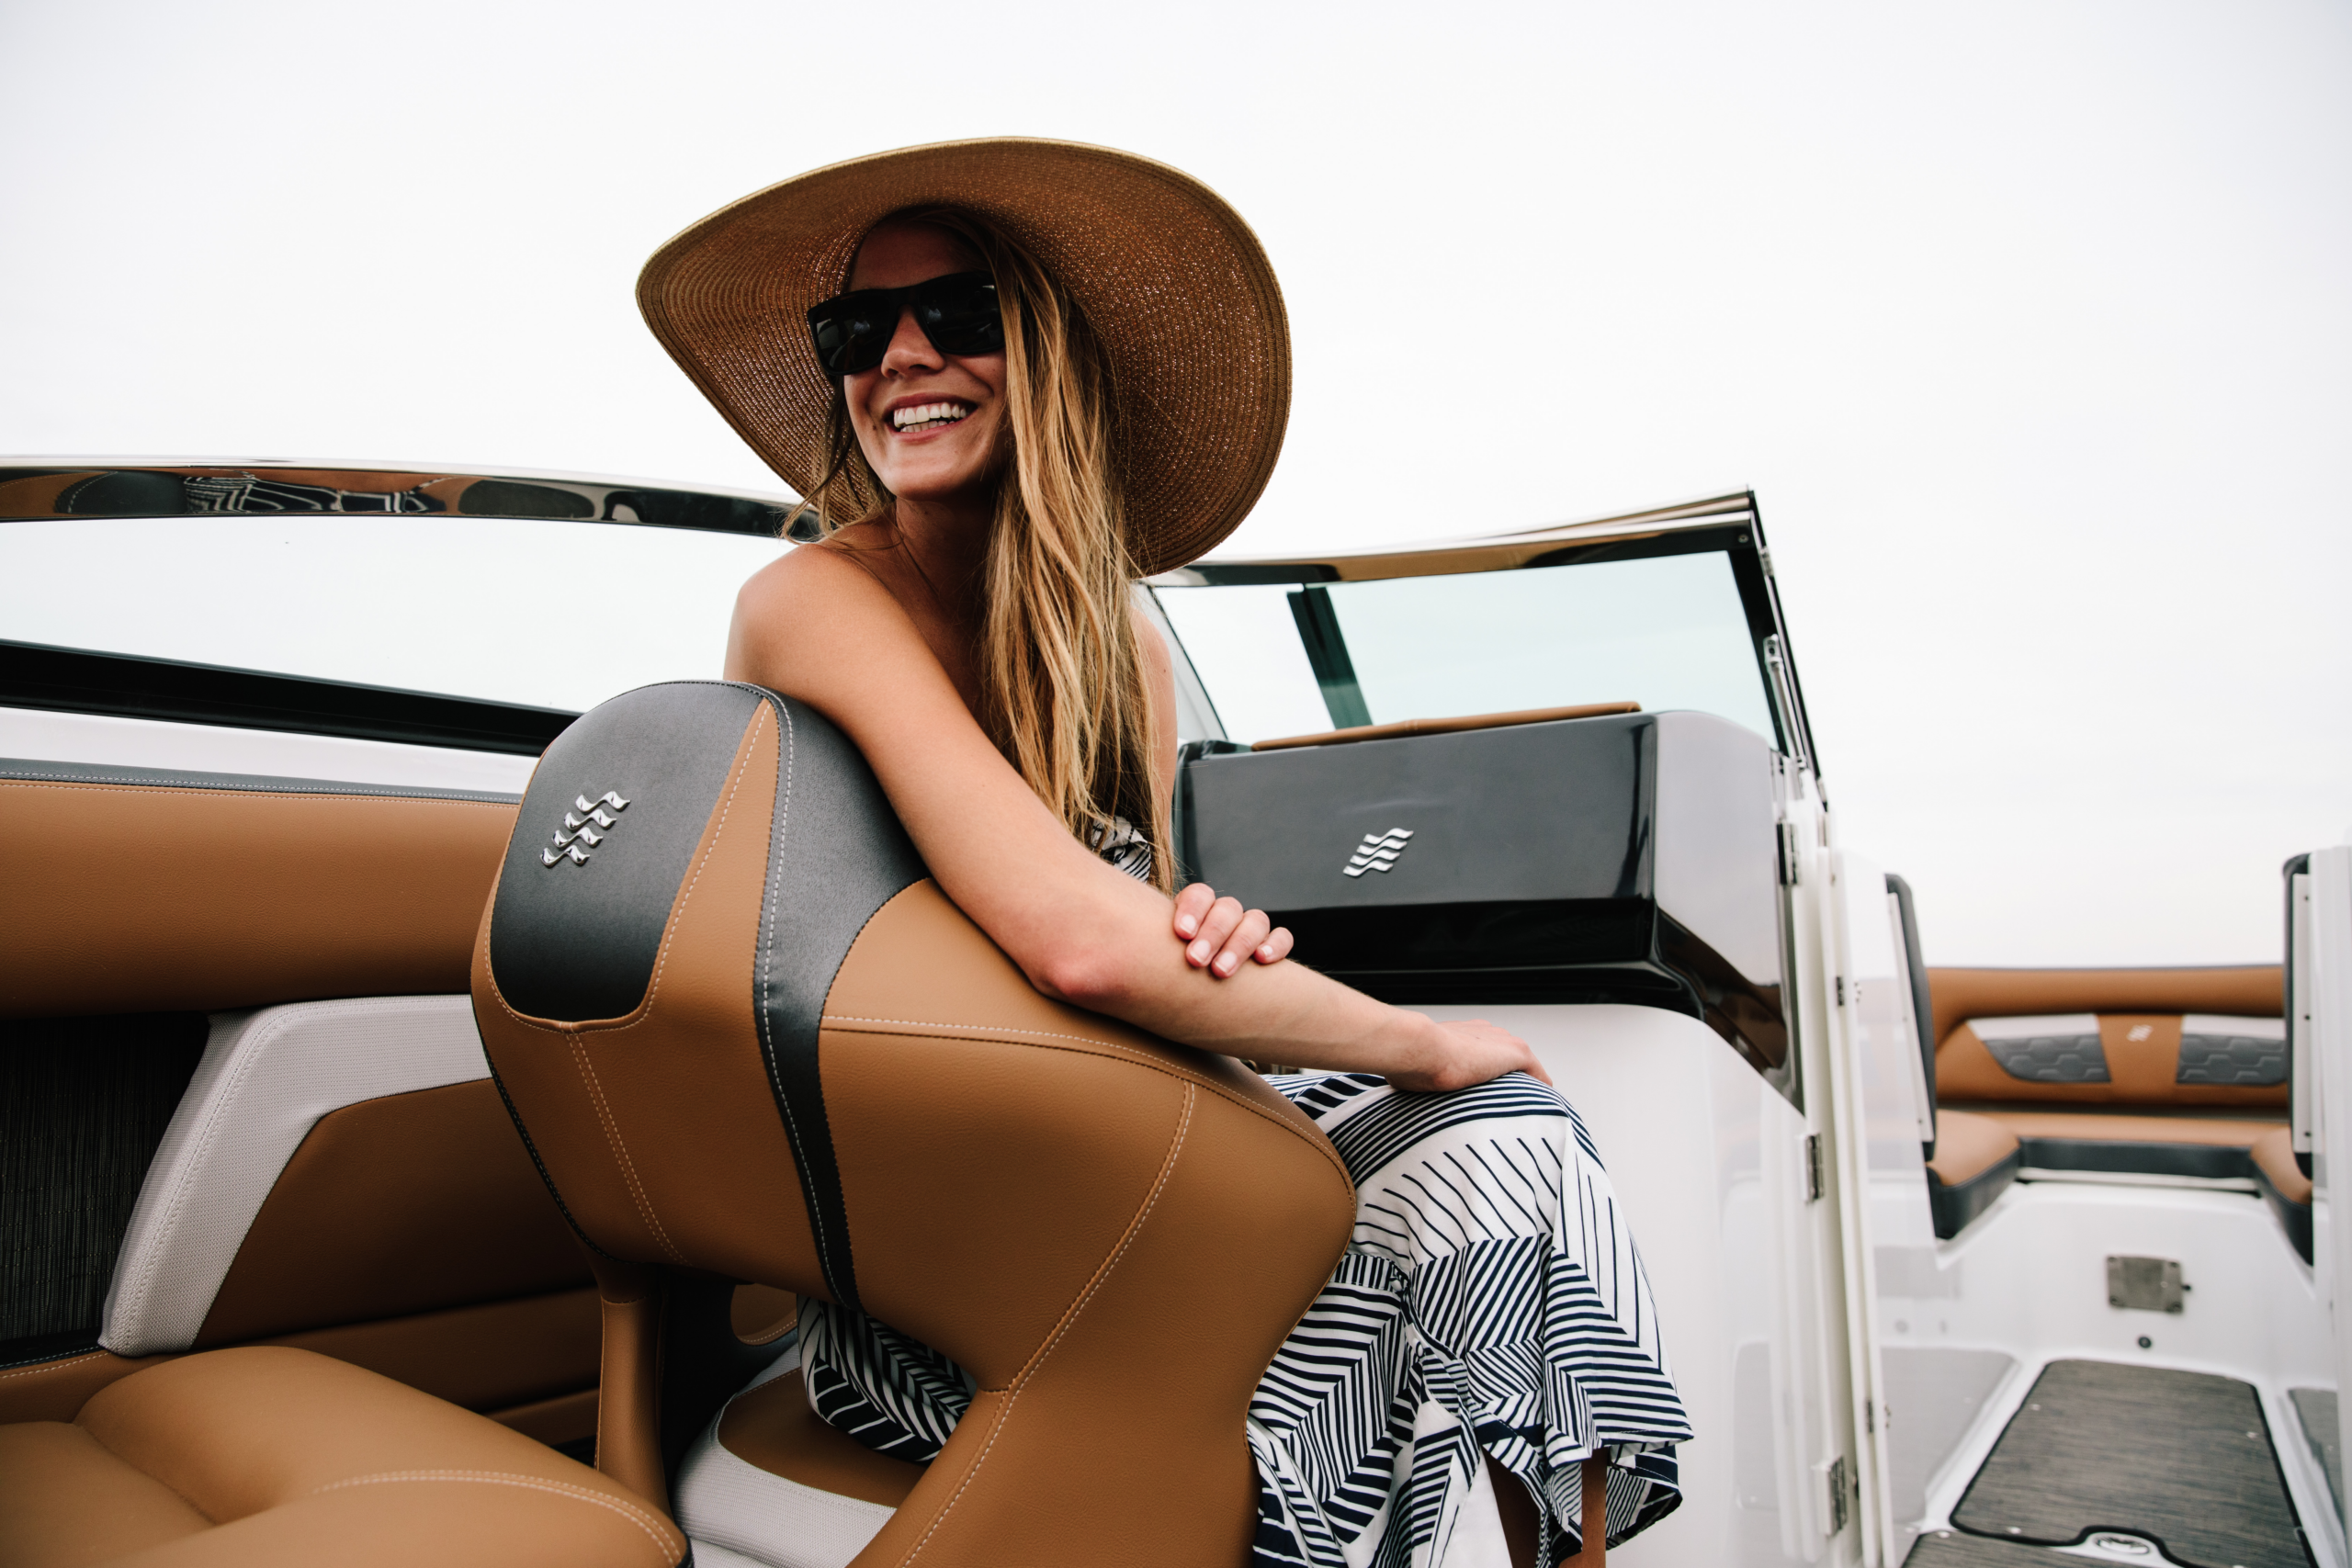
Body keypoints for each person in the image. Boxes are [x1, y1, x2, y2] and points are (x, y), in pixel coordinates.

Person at [640, 139, 1690, 1566]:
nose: (899, 357)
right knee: (1480, 1130)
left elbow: (1142, 931)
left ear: (1049, 356)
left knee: (1488, 1180)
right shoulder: (812, 603)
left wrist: (1215, 942)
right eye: (857, 330)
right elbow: (1078, 941)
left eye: (958, 316)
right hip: (945, 1244)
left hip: (1122, 1142)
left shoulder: (1115, 645)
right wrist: (1419, 1040)